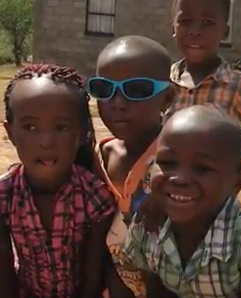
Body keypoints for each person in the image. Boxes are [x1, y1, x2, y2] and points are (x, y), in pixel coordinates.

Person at [122, 105, 241, 298]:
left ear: (237, 182)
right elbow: (154, 289)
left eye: (202, 168)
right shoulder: (147, 225)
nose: (179, 178)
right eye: (167, 163)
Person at [0, 63, 116, 298]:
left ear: (82, 132)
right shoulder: (4, 195)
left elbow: (91, 279)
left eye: (61, 127)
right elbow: (4, 276)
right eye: (30, 127)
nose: (46, 141)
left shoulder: (95, 197)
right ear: (10, 132)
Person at [86, 35, 174, 297]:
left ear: (167, 98)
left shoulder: (179, 159)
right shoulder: (99, 156)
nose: (117, 103)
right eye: (104, 89)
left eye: (136, 90)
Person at [169, 0, 241, 190]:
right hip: (168, 193)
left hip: (214, 199)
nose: (195, 31)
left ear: (225, 33)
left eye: (207, 23)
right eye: (186, 21)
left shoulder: (236, 85)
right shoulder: (164, 82)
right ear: (174, 28)